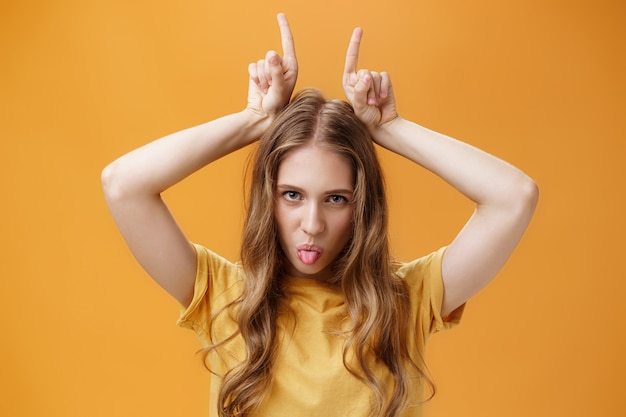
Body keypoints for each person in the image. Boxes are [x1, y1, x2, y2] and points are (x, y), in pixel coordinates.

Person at [102, 13, 538, 417]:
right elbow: (123, 185)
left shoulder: (404, 302)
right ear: (267, 200)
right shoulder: (224, 297)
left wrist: (388, 128)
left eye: (336, 199)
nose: (312, 224)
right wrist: (254, 121)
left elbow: (513, 196)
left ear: (361, 206)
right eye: (292, 195)